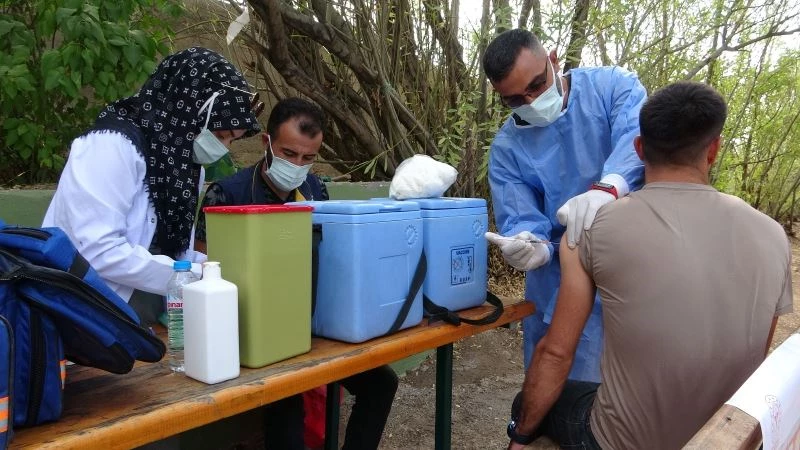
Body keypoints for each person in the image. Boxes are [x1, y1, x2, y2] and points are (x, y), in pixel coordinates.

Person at [505, 81, 794, 450]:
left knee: (528, 406)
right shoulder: (772, 235)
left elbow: (557, 353)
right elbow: (755, 353)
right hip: (726, 438)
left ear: (639, 149)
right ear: (714, 150)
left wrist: (521, 437)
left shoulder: (593, 231)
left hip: (618, 441)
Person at [195, 97, 398, 450]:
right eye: (289, 154)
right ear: (266, 143)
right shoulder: (226, 193)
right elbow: (203, 272)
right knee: (288, 398)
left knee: (382, 383)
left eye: (309, 158)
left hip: (314, 327)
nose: (298, 165)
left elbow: (337, 258)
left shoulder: (317, 191)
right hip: (253, 332)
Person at [42, 47, 261, 324]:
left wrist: (219, 268)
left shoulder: (185, 166)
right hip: (84, 315)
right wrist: (194, 273)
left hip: (151, 320)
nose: (223, 147)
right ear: (189, 109)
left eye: (233, 140)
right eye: (220, 134)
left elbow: (174, 250)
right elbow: (95, 250)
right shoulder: (110, 146)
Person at [482, 28, 647, 382]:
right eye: (515, 100)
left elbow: (639, 136)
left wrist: (610, 187)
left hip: (631, 269)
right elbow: (521, 215)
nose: (530, 101)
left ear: (553, 60)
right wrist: (530, 246)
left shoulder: (612, 88)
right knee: (560, 385)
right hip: (559, 281)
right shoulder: (508, 149)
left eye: (538, 85)